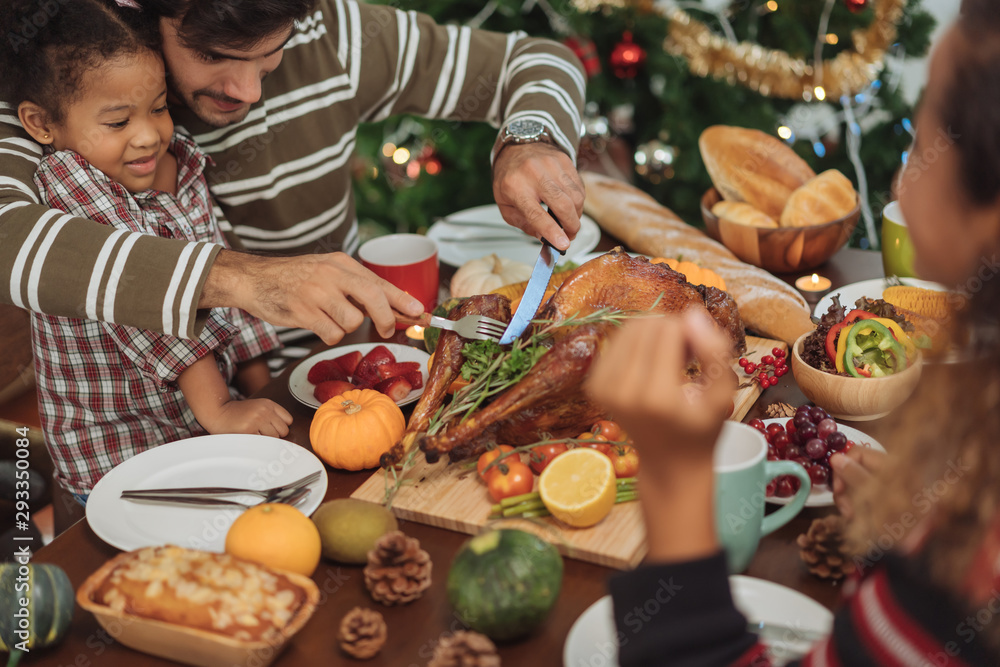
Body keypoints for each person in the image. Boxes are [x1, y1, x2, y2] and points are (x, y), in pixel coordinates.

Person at [584, 3, 1000, 663]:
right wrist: (911, 530)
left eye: (921, 147)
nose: (899, 180)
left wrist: (676, 488)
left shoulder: (964, 573)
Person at [0, 0, 586, 348]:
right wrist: (241, 278)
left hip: (343, 389)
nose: (247, 92)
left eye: (270, 53)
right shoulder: (64, 87)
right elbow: (7, 239)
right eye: (215, 57)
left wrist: (528, 141)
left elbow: (535, 59)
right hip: (148, 446)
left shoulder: (332, 35)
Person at [0, 0, 295, 500]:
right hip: (120, 457)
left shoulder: (181, 161)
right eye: (117, 122)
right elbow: (154, 309)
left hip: (202, 428)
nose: (148, 135)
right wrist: (221, 410)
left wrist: (261, 386)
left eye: (157, 107)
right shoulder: (70, 182)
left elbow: (223, 276)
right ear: (41, 123)